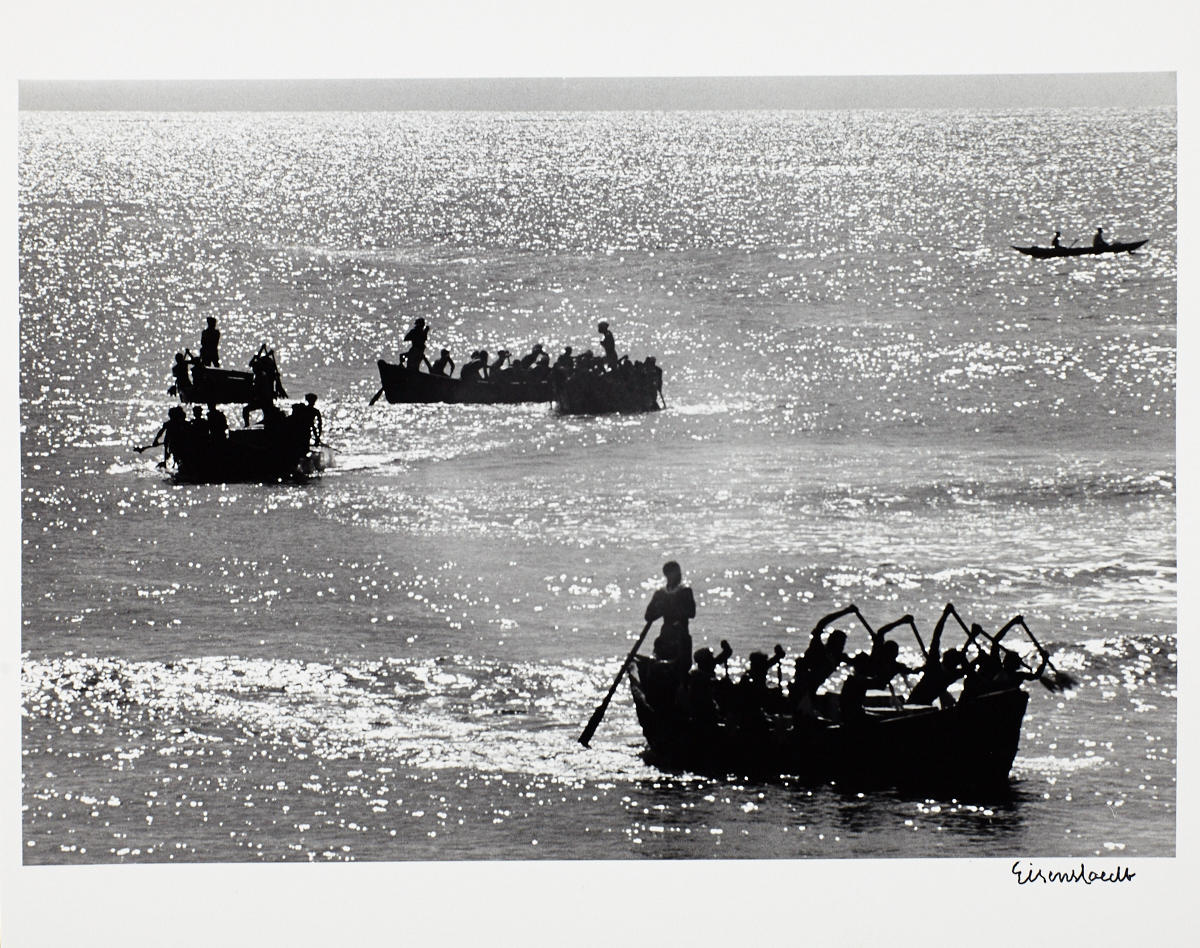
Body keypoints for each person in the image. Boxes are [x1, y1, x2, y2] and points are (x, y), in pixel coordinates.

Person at [645, 560, 696, 674]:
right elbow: (648, 616)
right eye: (676, 573)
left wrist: (672, 608)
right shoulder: (661, 593)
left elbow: (691, 613)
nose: (679, 576)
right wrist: (661, 609)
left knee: (682, 668)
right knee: (659, 665)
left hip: (681, 636)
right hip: (666, 635)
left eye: (679, 573)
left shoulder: (685, 591)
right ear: (667, 575)